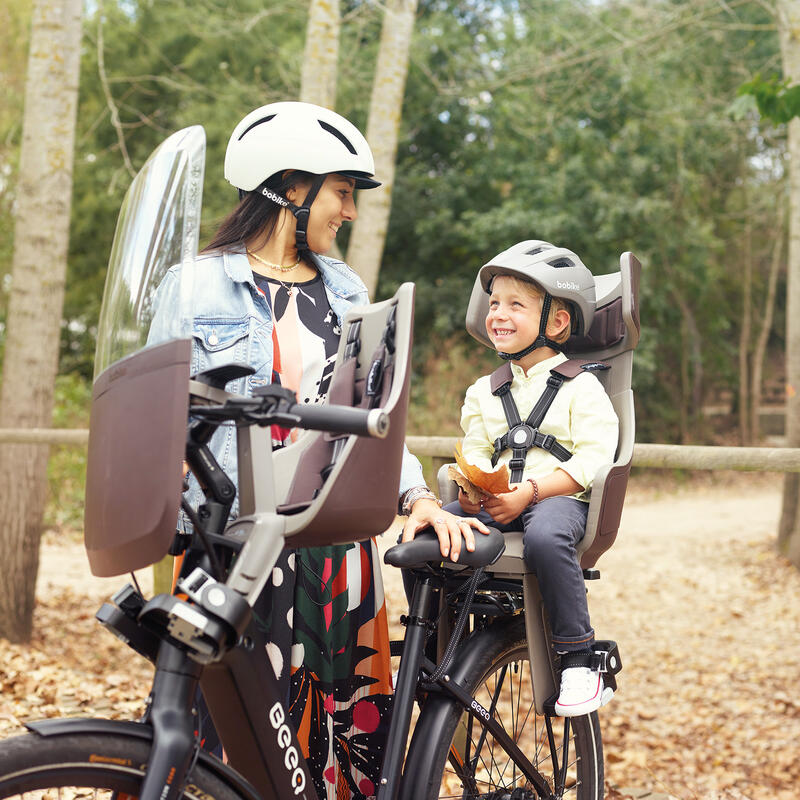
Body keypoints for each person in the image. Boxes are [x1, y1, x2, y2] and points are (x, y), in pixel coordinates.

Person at [147, 100, 487, 800]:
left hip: (335, 553)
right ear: (290, 187)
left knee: (340, 742)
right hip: (234, 546)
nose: (351, 212)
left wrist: (416, 495)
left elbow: (371, 414)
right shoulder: (195, 285)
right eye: (342, 191)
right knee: (219, 742)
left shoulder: (345, 291)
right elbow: (154, 414)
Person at [445, 240, 619, 717]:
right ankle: (440, 638)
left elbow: (595, 459)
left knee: (545, 537)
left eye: (515, 305)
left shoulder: (582, 386)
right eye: (494, 303)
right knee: (435, 528)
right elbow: (477, 446)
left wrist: (532, 492)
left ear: (556, 322)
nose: (498, 314)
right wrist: (473, 487)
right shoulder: (485, 391)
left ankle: (580, 659)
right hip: (501, 502)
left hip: (559, 499)